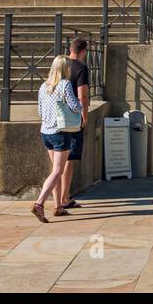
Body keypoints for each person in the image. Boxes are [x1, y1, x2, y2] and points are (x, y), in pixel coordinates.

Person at [33, 55, 83, 222]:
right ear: (65, 68)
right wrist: (80, 104)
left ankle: (58, 207)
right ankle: (39, 204)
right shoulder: (65, 84)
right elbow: (75, 107)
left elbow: (40, 111)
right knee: (57, 171)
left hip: (45, 132)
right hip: (60, 132)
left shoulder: (43, 86)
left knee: (55, 170)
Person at [57, 36, 91, 210]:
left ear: (70, 48)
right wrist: (85, 116)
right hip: (72, 118)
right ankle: (64, 196)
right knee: (69, 159)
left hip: (55, 117)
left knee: (57, 159)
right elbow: (82, 95)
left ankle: (59, 199)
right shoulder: (81, 68)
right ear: (83, 51)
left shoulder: (60, 65)